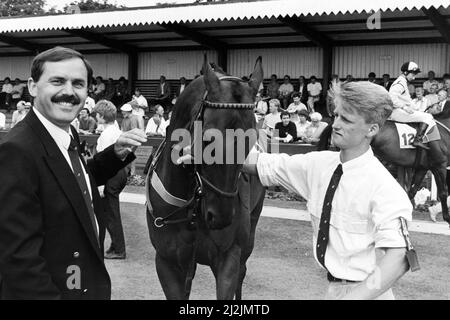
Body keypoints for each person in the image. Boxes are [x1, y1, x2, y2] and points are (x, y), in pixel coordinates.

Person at [243, 81, 413, 300]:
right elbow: (260, 163)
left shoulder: (384, 187)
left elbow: (399, 257)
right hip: (334, 290)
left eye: (347, 119)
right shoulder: (317, 165)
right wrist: (202, 152)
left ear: (372, 129)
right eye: (337, 115)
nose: (335, 124)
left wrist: (354, 297)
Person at [0, 46, 147, 299]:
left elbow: (67, 183)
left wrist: (114, 154)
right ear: (33, 86)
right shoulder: (16, 151)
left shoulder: (66, 133)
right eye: (57, 81)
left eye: (78, 83)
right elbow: (19, 262)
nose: (68, 92)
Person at [94, 100, 129, 260]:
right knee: (111, 212)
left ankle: (119, 249)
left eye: (97, 114)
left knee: (111, 213)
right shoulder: (116, 130)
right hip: (120, 173)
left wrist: (100, 186)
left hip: (111, 174)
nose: (96, 117)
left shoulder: (106, 134)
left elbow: (103, 163)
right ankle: (115, 246)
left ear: (101, 116)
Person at [389, 61, 436, 150]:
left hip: (399, 111)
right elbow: (391, 98)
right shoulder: (400, 83)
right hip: (398, 112)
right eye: (413, 74)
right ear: (406, 73)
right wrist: (404, 107)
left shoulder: (403, 82)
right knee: (428, 117)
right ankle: (417, 140)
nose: (414, 78)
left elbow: (407, 100)